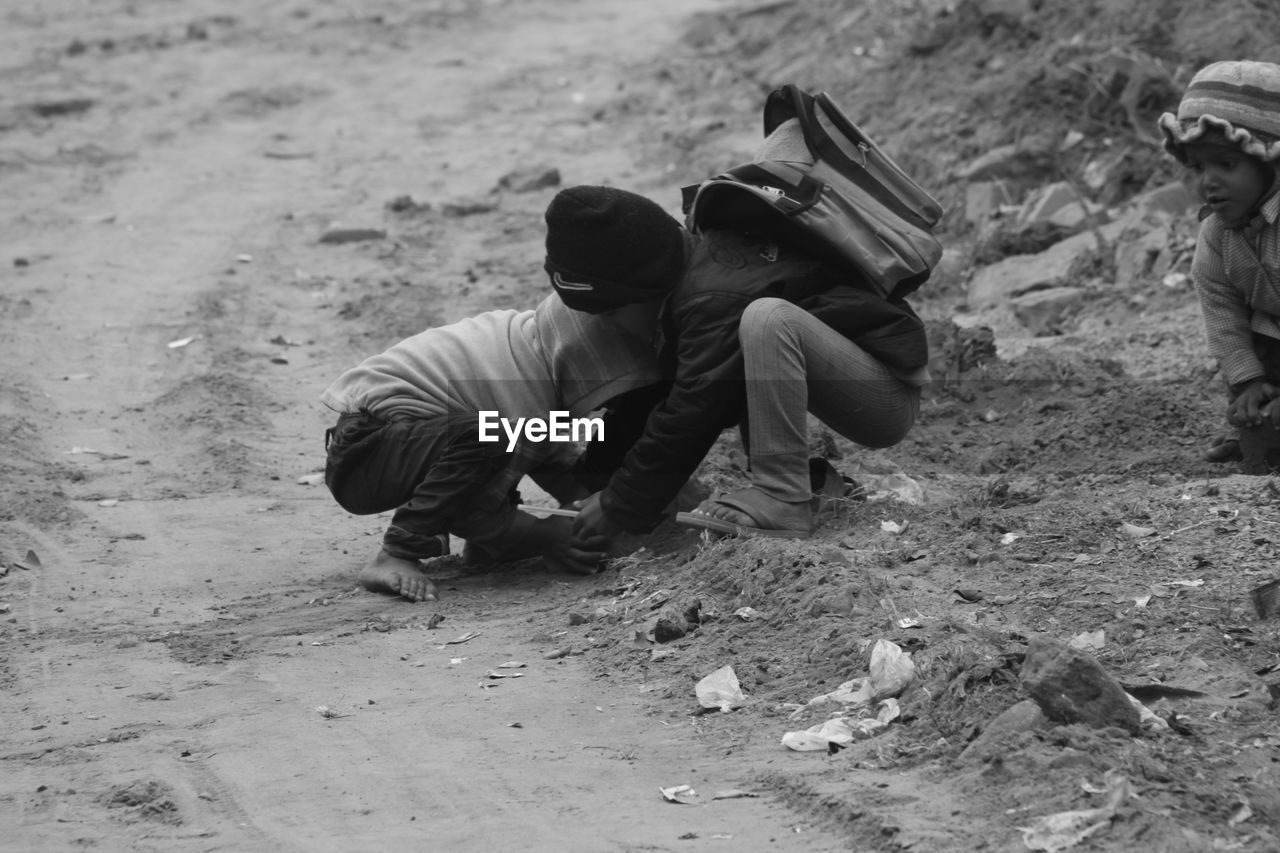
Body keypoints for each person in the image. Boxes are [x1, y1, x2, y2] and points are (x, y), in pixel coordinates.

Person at [544, 140, 929, 543]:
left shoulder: (713, 298)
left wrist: (617, 503)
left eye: (610, 314)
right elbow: (653, 400)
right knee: (735, 352)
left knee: (765, 320)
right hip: (847, 375)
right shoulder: (692, 272)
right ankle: (810, 486)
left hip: (884, 397)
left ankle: (782, 496)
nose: (613, 328)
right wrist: (596, 482)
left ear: (644, 287)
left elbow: (691, 414)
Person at [320, 256, 674, 602]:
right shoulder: (528, 392)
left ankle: (487, 547)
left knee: (496, 438)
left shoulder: (534, 351)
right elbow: (476, 494)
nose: (604, 408)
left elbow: (551, 457)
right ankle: (396, 553)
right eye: (607, 395)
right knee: (488, 438)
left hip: (394, 440)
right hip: (369, 453)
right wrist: (543, 536)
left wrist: (599, 513)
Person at [1159, 60, 1280, 474]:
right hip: (1273, 332)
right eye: (1198, 167)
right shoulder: (1217, 233)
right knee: (1248, 351)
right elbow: (1221, 310)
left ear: (1270, 163)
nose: (1208, 182)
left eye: (1226, 165)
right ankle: (1253, 433)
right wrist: (1248, 383)